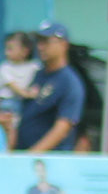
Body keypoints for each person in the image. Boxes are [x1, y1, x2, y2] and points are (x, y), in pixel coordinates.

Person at [14, 22, 87, 153]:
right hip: (24, 154)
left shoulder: (69, 82)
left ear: (63, 44)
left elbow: (63, 127)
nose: (40, 47)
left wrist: (32, 154)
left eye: (46, 42)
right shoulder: (37, 74)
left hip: (49, 162)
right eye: (39, 42)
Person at [0, 31, 41, 110]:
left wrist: (33, 92)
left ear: (25, 51)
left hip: (24, 102)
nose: (6, 53)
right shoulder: (4, 67)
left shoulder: (34, 66)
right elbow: (13, 86)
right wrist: (26, 95)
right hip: (6, 101)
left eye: (10, 49)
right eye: (6, 48)